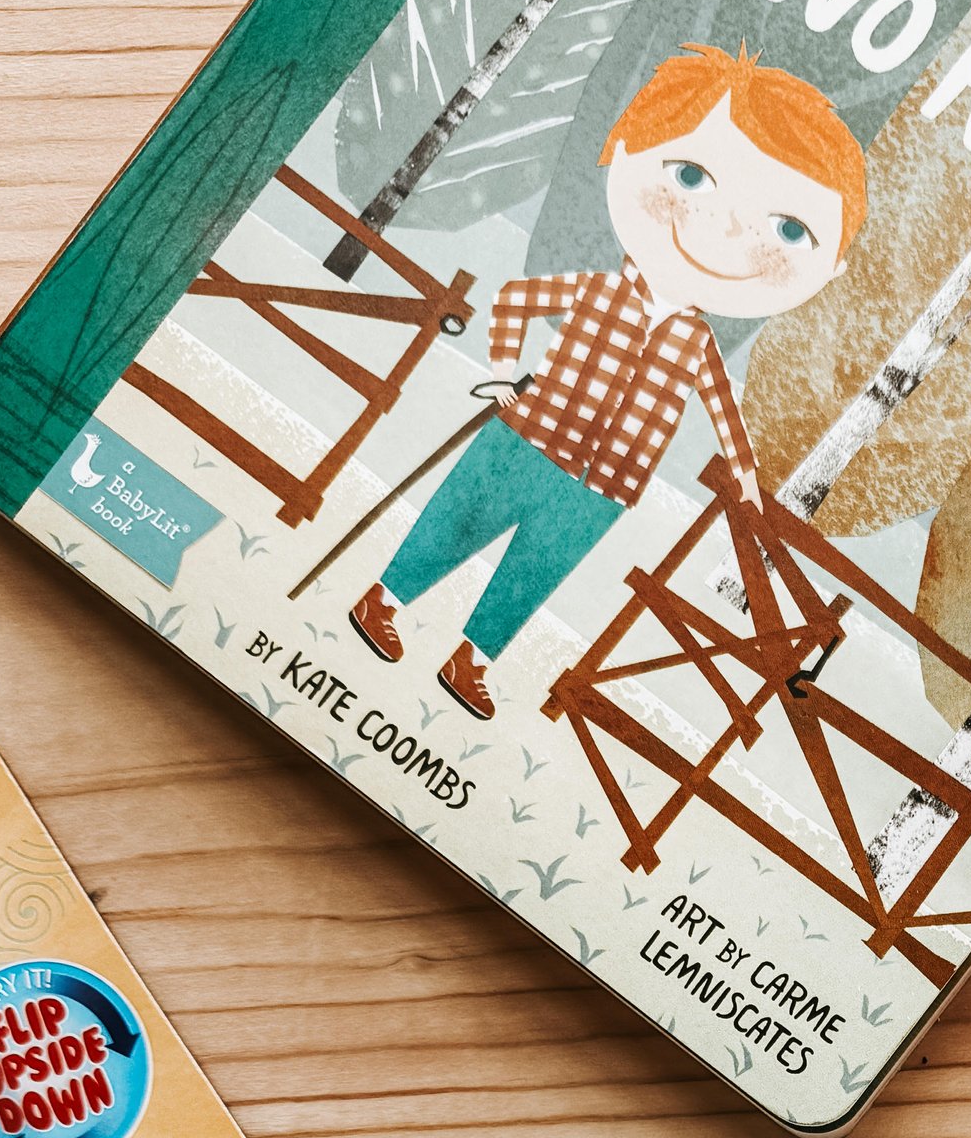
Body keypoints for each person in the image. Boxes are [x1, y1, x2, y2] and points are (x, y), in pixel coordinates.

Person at [351, 42, 867, 720]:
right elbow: (514, 303)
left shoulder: (696, 340)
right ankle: (382, 600)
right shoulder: (599, 290)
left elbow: (722, 411)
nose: (723, 231)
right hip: (528, 436)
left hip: (607, 481)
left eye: (789, 229)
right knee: (458, 523)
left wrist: (745, 484)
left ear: (828, 273)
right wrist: (504, 374)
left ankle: (470, 660)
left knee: (537, 569)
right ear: (625, 147)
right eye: (689, 176)